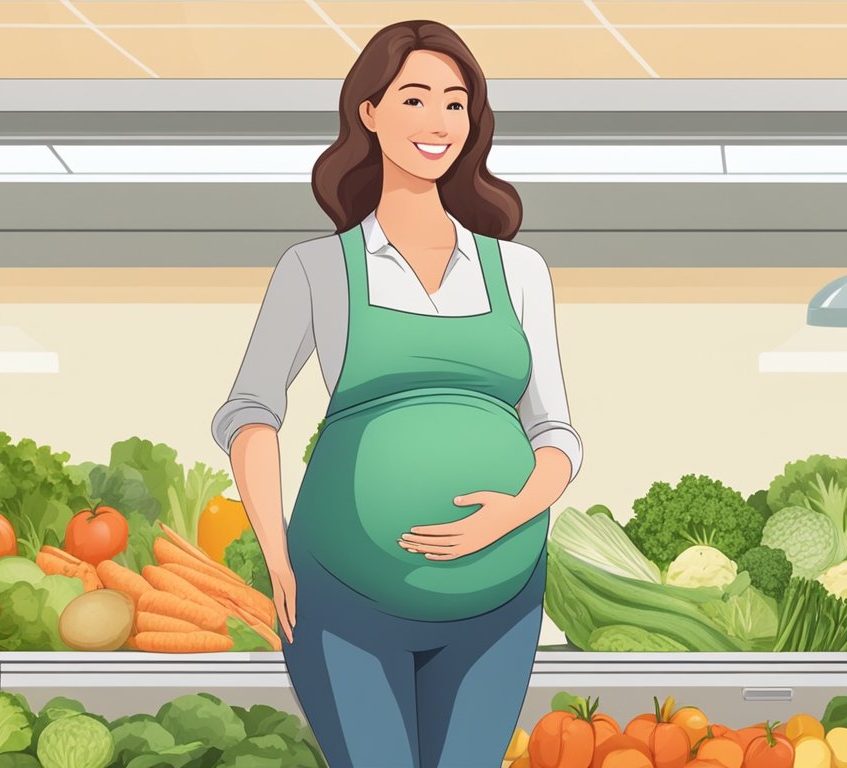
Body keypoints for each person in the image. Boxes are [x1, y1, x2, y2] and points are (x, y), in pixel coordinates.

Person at [211, 19, 583, 768]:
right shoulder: (316, 269)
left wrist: (512, 511)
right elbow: (251, 413)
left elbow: (556, 434)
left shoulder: (520, 271)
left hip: (498, 604)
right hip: (345, 604)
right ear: (369, 112)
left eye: (456, 103)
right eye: (415, 100)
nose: (438, 122)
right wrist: (277, 557)